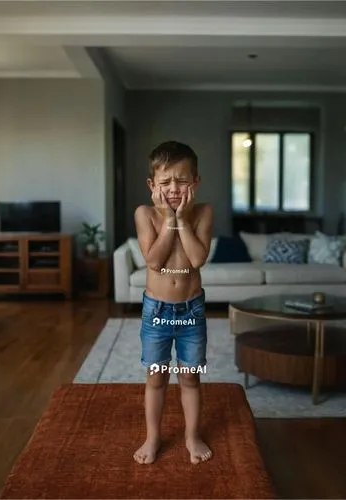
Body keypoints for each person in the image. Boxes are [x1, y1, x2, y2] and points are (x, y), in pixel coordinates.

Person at [133, 140, 213, 465]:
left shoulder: (204, 212)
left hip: (192, 311)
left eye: (182, 181)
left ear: (196, 182)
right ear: (153, 185)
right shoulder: (145, 214)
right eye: (165, 182)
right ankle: (153, 437)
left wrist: (182, 218)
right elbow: (153, 261)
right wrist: (168, 218)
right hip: (157, 311)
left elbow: (195, 259)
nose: (174, 189)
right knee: (156, 377)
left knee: (190, 377)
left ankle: (191, 435)